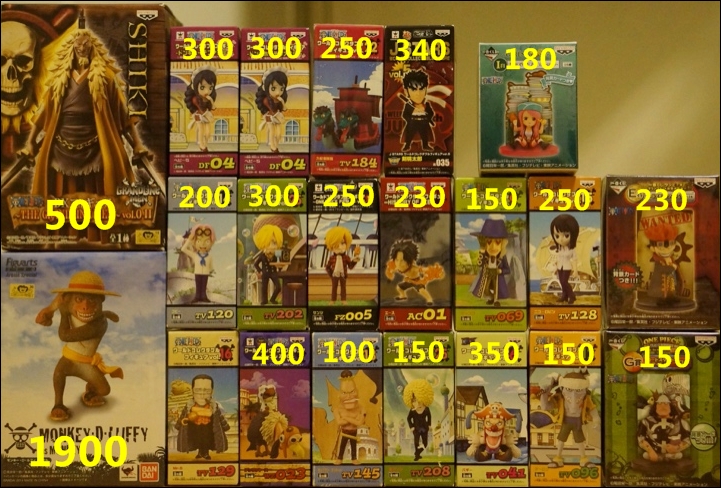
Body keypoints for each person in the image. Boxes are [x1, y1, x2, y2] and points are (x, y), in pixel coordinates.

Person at [20, 18, 147, 242]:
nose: (81, 49)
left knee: (99, 196)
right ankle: (60, 240)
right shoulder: (58, 80)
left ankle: (98, 239)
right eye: (78, 45)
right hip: (61, 149)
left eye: (85, 45)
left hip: (96, 147)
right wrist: (30, 144)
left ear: (92, 47)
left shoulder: (105, 78)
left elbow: (123, 117)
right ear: (71, 48)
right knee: (60, 197)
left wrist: (137, 145)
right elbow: (42, 116)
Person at [35, 271, 123, 422]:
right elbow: (61, 298)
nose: (85, 306)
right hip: (68, 359)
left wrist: (62, 314)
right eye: (79, 299)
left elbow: (65, 335)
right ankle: (58, 404)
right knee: (58, 373)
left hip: (85, 364)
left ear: (101, 302)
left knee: (104, 390)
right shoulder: (69, 307)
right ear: (70, 301)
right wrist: (49, 310)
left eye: (92, 300)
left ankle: (90, 391)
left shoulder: (99, 324)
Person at [175, 374, 230, 460]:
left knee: (206, 440)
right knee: (197, 440)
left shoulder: (214, 406)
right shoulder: (189, 406)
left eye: (207, 390)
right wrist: (179, 425)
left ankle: (206, 453)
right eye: (198, 390)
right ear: (192, 391)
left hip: (208, 426)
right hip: (195, 427)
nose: (202, 394)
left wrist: (225, 426)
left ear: (212, 391)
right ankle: (200, 453)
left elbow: (220, 417)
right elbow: (183, 416)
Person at [385, 239, 444, 306]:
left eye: (402, 260)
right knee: (399, 287)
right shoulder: (397, 266)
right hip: (408, 280)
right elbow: (392, 269)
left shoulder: (413, 268)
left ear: (410, 260)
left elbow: (424, 270)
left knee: (422, 290)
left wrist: (436, 272)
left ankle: (429, 299)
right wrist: (391, 273)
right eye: (397, 260)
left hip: (417, 281)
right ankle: (403, 296)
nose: (399, 263)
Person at [470, 218, 511, 306]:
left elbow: (507, 270)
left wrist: (500, 271)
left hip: (497, 275)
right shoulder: (485, 255)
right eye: (489, 242)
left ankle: (496, 301)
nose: (493, 247)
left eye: (498, 242)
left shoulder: (502, 257)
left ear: (503, 244)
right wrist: (482, 250)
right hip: (487, 274)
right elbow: (479, 264)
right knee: (485, 289)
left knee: (497, 289)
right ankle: (491, 298)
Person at [333, 370, 366, 465]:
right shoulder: (337, 409)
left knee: (353, 445)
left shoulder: (361, 408)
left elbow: (360, 423)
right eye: (344, 393)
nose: (349, 397)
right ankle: (339, 458)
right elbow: (339, 422)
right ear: (339, 395)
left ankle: (354, 459)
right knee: (342, 446)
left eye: (352, 392)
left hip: (354, 432)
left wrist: (346, 418)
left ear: (357, 392)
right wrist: (354, 419)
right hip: (344, 432)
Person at [399, 69, 435, 152]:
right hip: (412, 122)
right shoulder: (408, 105)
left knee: (424, 135)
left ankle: (425, 145)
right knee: (409, 135)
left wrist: (427, 117)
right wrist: (410, 120)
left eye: (421, 89)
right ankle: (407, 145)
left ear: (426, 90)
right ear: (406, 91)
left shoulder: (426, 104)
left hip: (424, 122)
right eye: (413, 89)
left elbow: (431, 113)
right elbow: (404, 115)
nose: (418, 94)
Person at [255, 67, 288, 153]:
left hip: (276, 115)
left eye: (281, 89)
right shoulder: (266, 100)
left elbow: (284, 109)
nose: (278, 92)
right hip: (269, 116)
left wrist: (282, 102)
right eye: (273, 88)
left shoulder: (279, 99)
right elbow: (272, 110)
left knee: (279, 133)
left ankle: (275, 145)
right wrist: (279, 115)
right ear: (266, 88)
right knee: (272, 131)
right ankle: (273, 146)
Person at [324, 226, 361, 304]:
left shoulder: (346, 257)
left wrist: (354, 261)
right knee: (334, 288)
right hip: (335, 275)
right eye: (336, 245)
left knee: (343, 288)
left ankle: (343, 300)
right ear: (331, 246)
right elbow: (327, 267)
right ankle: (333, 300)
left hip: (343, 275)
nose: (340, 247)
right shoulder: (332, 258)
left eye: (342, 243)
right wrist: (331, 274)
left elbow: (350, 266)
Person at [180, 223, 216, 303]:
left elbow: (211, 265)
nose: (202, 244)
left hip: (205, 273)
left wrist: (210, 269)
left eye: (207, 241)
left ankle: (203, 296)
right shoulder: (195, 255)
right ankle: (197, 296)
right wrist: (189, 239)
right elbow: (183, 249)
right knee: (198, 284)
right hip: (197, 272)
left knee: (204, 285)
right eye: (199, 241)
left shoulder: (209, 256)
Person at [185, 66, 217, 152]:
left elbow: (213, 107)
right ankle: (201, 145)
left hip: (206, 115)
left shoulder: (208, 98)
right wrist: (208, 116)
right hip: (199, 115)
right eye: (202, 87)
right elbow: (201, 110)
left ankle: (205, 144)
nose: (207, 91)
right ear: (195, 87)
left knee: (208, 133)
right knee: (201, 130)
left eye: (210, 88)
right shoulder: (195, 99)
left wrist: (211, 100)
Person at [550, 214, 580, 304]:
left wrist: (575, 270)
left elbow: (574, 259)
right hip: (560, 267)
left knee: (564, 282)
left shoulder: (572, 249)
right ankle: (564, 296)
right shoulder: (560, 248)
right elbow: (558, 258)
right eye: (557, 236)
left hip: (567, 267)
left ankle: (572, 296)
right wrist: (555, 267)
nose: (561, 239)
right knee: (561, 282)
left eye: (566, 235)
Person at [252, 224, 283, 305]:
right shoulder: (262, 255)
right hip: (265, 272)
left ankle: (272, 299)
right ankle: (264, 301)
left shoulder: (276, 254)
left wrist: (279, 268)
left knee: (278, 287)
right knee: (264, 287)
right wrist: (260, 271)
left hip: (273, 272)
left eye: (274, 243)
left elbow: (279, 262)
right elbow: (255, 264)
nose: (272, 246)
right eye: (269, 243)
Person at [403, 379, 434, 461]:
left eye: (419, 400)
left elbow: (429, 416)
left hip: (424, 428)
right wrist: (411, 426)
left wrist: (429, 425)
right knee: (416, 442)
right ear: (411, 401)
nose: (418, 403)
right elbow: (408, 418)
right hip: (416, 429)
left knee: (425, 443)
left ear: (424, 398)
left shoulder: (426, 409)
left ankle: (417, 453)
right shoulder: (412, 410)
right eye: (414, 401)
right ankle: (417, 456)